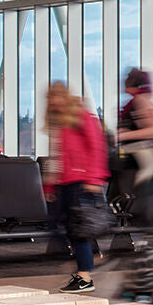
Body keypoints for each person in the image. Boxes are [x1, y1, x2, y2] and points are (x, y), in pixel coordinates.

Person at [43, 81, 109, 293]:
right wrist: (50, 187)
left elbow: (97, 146)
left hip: (81, 182)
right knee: (57, 227)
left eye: (57, 97)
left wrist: (95, 179)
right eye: (51, 98)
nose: (54, 101)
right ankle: (87, 262)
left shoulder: (81, 116)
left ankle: (85, 275)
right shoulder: (58, 124)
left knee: (78, 229)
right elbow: (57, 158)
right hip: (65, 183)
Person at [117, 68, 153, 194]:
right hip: (136, 150)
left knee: (152, 166)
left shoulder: (138, 101)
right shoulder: (140, 100)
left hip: (132, 150)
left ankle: (139, 191)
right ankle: (140, 191)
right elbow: (152, 127)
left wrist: (125, 135)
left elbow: (151, 127)